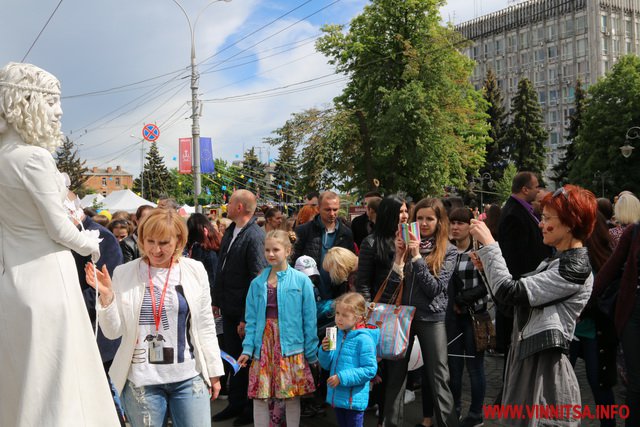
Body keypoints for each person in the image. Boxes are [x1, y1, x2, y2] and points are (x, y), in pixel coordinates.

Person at [0, 62, 119, 426]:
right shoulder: (32, 158)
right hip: (49, 280)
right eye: (52, 101)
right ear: (27, 100)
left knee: (25, 383)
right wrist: (93, 241)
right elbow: (60, 231)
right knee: (61, 384)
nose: (60, 110)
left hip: (14, 285)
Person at [470, 185, 597, 427]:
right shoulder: (556, 262)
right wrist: (487, 269)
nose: (540, 224)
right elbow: (510, 306)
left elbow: (509, 291)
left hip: (545, 367)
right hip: (529, 359)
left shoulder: (574, 268)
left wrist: (489, 244)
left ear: (570, 223)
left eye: (548, 218)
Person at [85, 208, 225, 427]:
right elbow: (113, 331)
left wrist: (215, 371)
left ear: (179, 240)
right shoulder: (125, 273)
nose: (155, 249)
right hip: (142, 381)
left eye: (164, 243)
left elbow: (205, 325)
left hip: (188, 376)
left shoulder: (195, 270)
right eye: (150, 241)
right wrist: (107, 297)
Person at [383, 198, 459, 427]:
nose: (424, 223)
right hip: (402, 317)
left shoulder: (449, 250)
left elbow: (434, 289)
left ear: (439, 221)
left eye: (430, 219)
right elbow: (391, 286)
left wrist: (416, 257)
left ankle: (448, 423)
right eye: (420, 218)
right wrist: (398, 257)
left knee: (438, 377)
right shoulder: (404, 245)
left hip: (431, 317)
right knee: (395, 378)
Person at [238, 230, 319, 427]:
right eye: (267, 250)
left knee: (291, 395)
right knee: (259, 395)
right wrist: (247, 349)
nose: (270, 254)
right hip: (263, 345)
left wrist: (311, 352)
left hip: (291, 346)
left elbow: (309, 319)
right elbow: (251, 319)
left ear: (288, 250)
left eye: (276, 249)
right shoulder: (257, 284)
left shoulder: (302, 281)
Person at [495, 171, 551, 403]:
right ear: (525, 189)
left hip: (528, 285)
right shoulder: (512, 214)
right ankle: (509, 396)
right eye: (536, 187)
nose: (538, 190)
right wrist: (521, 286)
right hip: (520, 289)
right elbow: (512, 257)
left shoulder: (522, 211)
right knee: (514, 345)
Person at [212, 189, 268, 425]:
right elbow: (222, 269)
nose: (226, 205)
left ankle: (247, 408)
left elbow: (257, 277)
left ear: (240, 207)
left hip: (243, 312)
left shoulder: (254, 235)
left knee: (245, 361)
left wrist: (248, 317)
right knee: (233, 358)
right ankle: (234, 403)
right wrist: (216, 300)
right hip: (228, 307)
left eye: (230, 202)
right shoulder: (232, 232)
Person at [570, 212, 617, 427]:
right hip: (571, 332)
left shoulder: (604, 258)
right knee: (560, 385)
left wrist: (584, 311)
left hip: (594, 332)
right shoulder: (570, 253)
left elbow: (606, 297)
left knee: (600, 385)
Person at [593, 218, 640, 426]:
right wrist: (583, 305)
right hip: (634, 314)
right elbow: (609, 270)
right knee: (636, 384)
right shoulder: (635, 231)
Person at [446, 207, 488, 427]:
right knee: (453, 369)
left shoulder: (480, 251)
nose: (455, 227)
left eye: (460, 223)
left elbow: (488, 285)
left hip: (474, 316)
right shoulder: (446, 251)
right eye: (452, 222)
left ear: (469, 227)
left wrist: (463, 298)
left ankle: (476, 414)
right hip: (452, 319)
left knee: (474, 368)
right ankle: (454, 410)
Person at [318, 292, 379, 427]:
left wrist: (341, 377)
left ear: (358, 318)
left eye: (345, 315)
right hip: (338, 396)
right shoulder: (336, 334)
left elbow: (370, 370)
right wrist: (324, 350)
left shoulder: (364, 339)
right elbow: (326, 365)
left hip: (354, 399)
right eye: (338, 313)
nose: (339, 318)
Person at [292, 191, 354, 300]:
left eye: (335, 209)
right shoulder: (303, 231)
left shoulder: (346, 233)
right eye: (327, 209)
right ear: (319, 208)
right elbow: (292, 261)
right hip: (308, 294)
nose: (332, 213)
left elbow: (350, 266)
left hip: (337, 296)